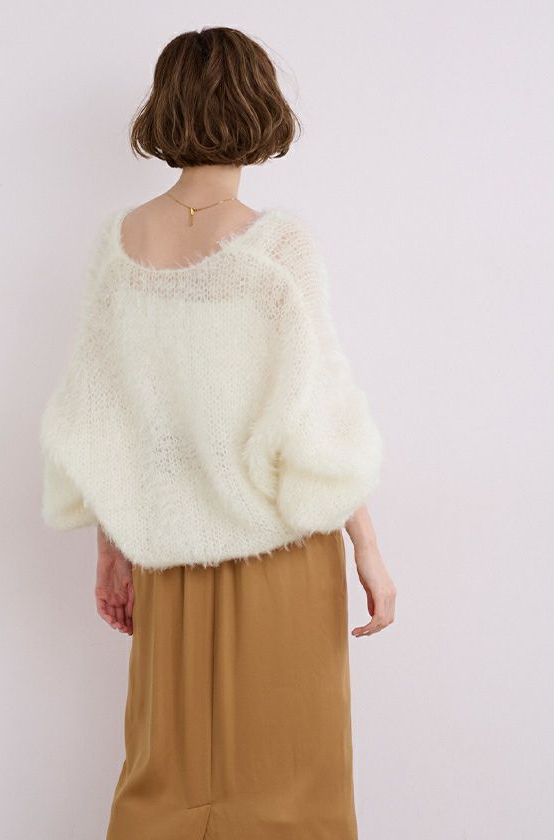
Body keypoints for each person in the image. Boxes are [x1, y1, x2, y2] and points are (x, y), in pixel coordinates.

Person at [40, 26, 396, 840]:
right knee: (291, 791)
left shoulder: (123, 243)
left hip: (167, 561)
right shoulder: (276, 245)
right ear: (259, 106)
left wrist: (111, 550)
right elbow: (320, 411)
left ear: (165, 108)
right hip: (280, 561)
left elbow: (103, 414)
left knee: (166, 783)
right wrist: (368, 549)